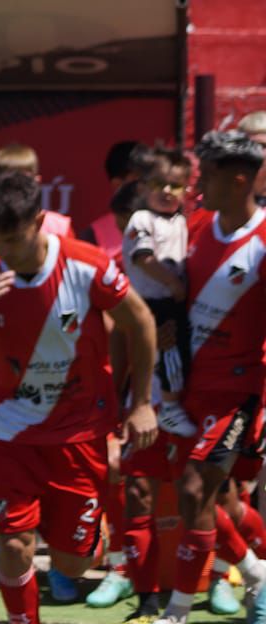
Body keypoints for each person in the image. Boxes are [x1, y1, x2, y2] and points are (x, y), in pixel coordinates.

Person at [0, 171, 157, 624]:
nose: (5, 252)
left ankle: (93, 537)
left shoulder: (86, 264)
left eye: (13, 239)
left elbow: (140, 321)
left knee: (72, 563)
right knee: (13, 545)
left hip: (80, 433)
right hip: (10, 432)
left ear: (39, 221)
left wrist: (141, 402)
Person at [135, 130, 266, 624]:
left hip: (240, 391)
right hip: (187, 391)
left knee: (196, 489)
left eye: (205, 178)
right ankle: (257, 578)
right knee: (207, 503)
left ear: (238, 181)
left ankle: (176, 617)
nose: (195, 188)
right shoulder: (195, 227)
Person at [121, 147, 196, 437]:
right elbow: (144, 257)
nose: (166, 191)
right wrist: (173, 284)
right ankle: (169, 407)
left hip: (172, 302)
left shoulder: (179, 220)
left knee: (174, 355)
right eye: (158, 183)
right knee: (169, 354)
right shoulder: (142, 219)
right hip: (152, 302)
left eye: (175, 185)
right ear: (142, 187)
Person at [79, 142, 155, 257]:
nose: (148, 186)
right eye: (141, 179)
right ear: (118, 184)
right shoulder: (93, 235)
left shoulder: (171, 223)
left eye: (153, 179)